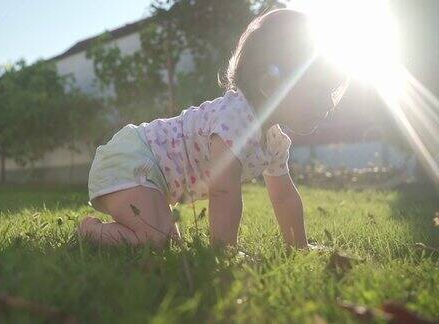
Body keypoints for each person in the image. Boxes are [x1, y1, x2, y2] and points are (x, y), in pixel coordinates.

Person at [79, 9, 348, 248]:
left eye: (330, 93)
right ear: (270, 84)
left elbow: (285, 199)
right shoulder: (235, 119)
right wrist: (224, 252)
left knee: (169, 245)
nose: (327, 104)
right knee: (154, 239)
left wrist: (299, 247)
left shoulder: (275, 140)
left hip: (153, 179)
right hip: (131, 160)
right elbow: (223, 190)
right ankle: (90, 231)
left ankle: (133, 231)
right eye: (318, 91)